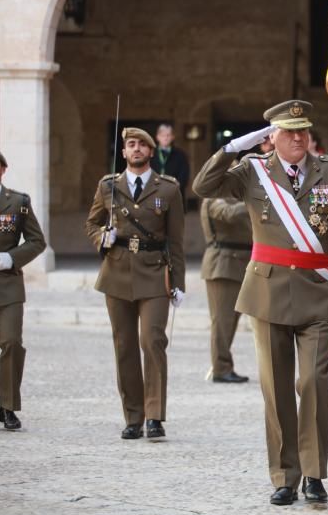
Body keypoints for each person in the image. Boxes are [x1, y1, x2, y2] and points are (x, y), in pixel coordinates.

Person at [192, 99, 328, 506]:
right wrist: (234, 148)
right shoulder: (252, 172)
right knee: (276, 389)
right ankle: (284, 476)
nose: (299, 138)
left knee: (313, 382)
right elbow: (202, 187)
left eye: (303, 131)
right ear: (272, 137)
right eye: (289, 132)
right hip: (267, 292)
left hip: (319, 293)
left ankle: (313, 472)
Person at [85, 127, 186, 441]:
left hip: (155, 273)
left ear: (151, 152)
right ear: (124, 152)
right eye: (131, 145)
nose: (137, 149)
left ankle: (154, 416)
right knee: (125, 346)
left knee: (153, 341)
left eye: (143, 145)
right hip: (116, 272)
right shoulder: (108, 186)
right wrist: (103, 237)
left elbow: (176, 241)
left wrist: (179, 282)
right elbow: (92, 223)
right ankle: (133, 416)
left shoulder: (168, 189)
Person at [0, 151, 47, 431]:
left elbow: (37, 241)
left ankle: (7, 406)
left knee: (11, 343)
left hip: (8, 285)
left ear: (3, 170)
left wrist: (11, 258)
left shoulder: (18, 202)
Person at [199, 194, 252, 383]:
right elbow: (228, 214)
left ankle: (223, 365)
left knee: (231, 321)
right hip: (222, 265)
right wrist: (254, 199)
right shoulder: (213, 199)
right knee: (222, 321)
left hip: (239, 264)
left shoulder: (235, 199)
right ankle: (221, 368)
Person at [150, 123, 191, 199]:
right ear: (157, 137)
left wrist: (173, 188)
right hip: (153, 192)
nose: (165, 138)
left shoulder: (180, 155)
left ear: (173, 137)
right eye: (162, 135)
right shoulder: (151, 154)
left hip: (174, 193)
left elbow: (184, 177)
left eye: (168, 135)